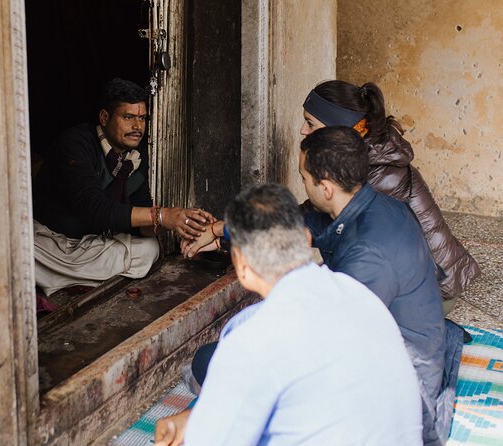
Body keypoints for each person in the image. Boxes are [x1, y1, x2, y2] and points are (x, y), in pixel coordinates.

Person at [154, 183, 423, 446]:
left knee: (208, 364)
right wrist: (197, 416)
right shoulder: (360, 296)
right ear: (305, 239)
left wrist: (203, 423)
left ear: (242, 266)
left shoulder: (248, 337)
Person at [298, 127, 462, 445]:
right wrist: (222, 230)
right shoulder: (374, 205)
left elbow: (337, 344)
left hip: (407, 388)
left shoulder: (368, 255)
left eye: (304, 178)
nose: (304, 185)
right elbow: (294, 223)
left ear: (326, 187)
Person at [301, 80, 480, 314]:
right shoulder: (362, 157)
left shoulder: (378, 174)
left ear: (338, 129)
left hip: (432, 292)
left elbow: (322, 222)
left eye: (310, 123)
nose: (303, 130)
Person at [32, 78, 213, 295]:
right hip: (50, 241)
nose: (138, 127)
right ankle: (66, 276)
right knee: (21, 251)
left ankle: (64, 278)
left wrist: (183, 221)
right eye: (128, 117)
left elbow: (143, 225)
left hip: (90, 247)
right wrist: (163, 215)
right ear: (104, 117)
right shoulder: (75, 144)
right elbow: (94, 209)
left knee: (149, 249)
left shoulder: (135, 158)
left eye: (142, 118)